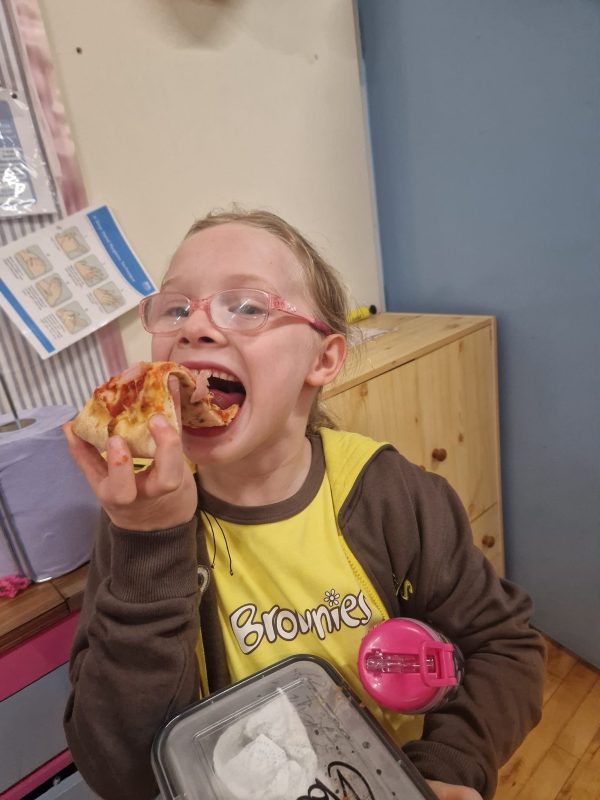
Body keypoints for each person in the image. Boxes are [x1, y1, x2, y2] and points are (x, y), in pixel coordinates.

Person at [63, 208, 545, 800]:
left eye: (247, 306)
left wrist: (449, 765)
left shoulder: (388, 494)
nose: (195, 328)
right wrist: (150, 540)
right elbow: (123, 773)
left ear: (324, 359)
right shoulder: (140, 520)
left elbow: (503, 646)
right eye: (176, 307)